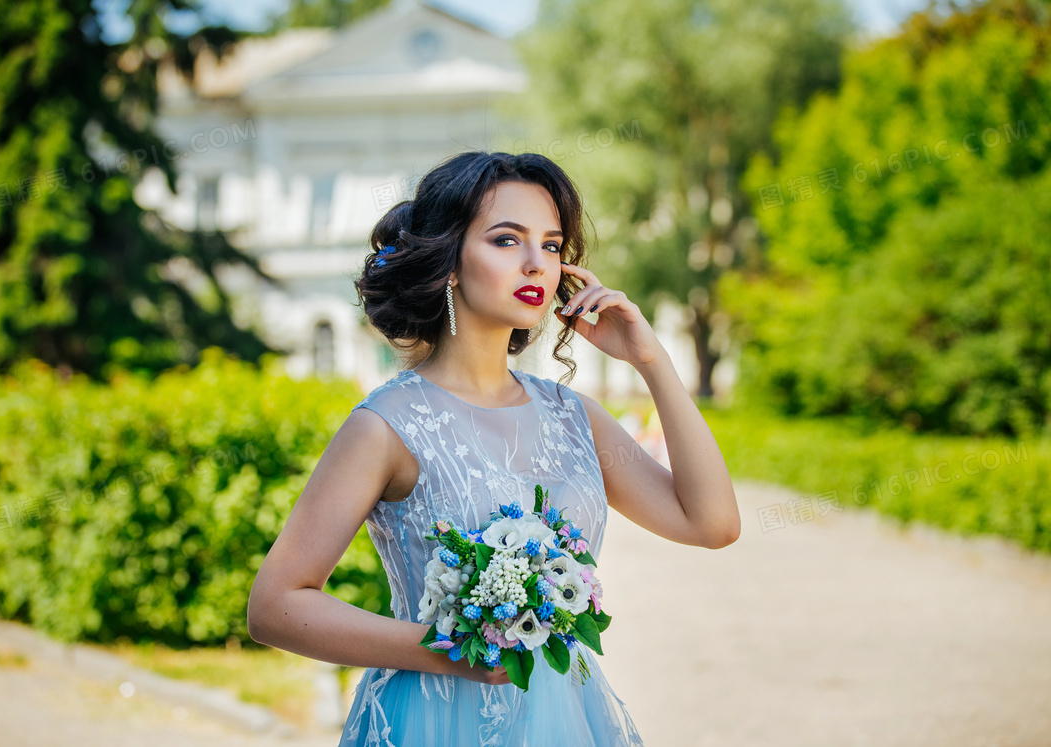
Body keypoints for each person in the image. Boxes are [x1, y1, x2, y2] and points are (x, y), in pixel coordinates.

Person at [246, 151, 740, 746]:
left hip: (568, 715)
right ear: (449, 262)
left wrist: (650, 360)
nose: (537, 264)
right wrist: (450, 652)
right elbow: (274, 605)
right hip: (431, 717)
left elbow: (711, 522)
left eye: (553, 246)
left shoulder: (571, 415)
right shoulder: (389, 424)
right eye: (507, 241)